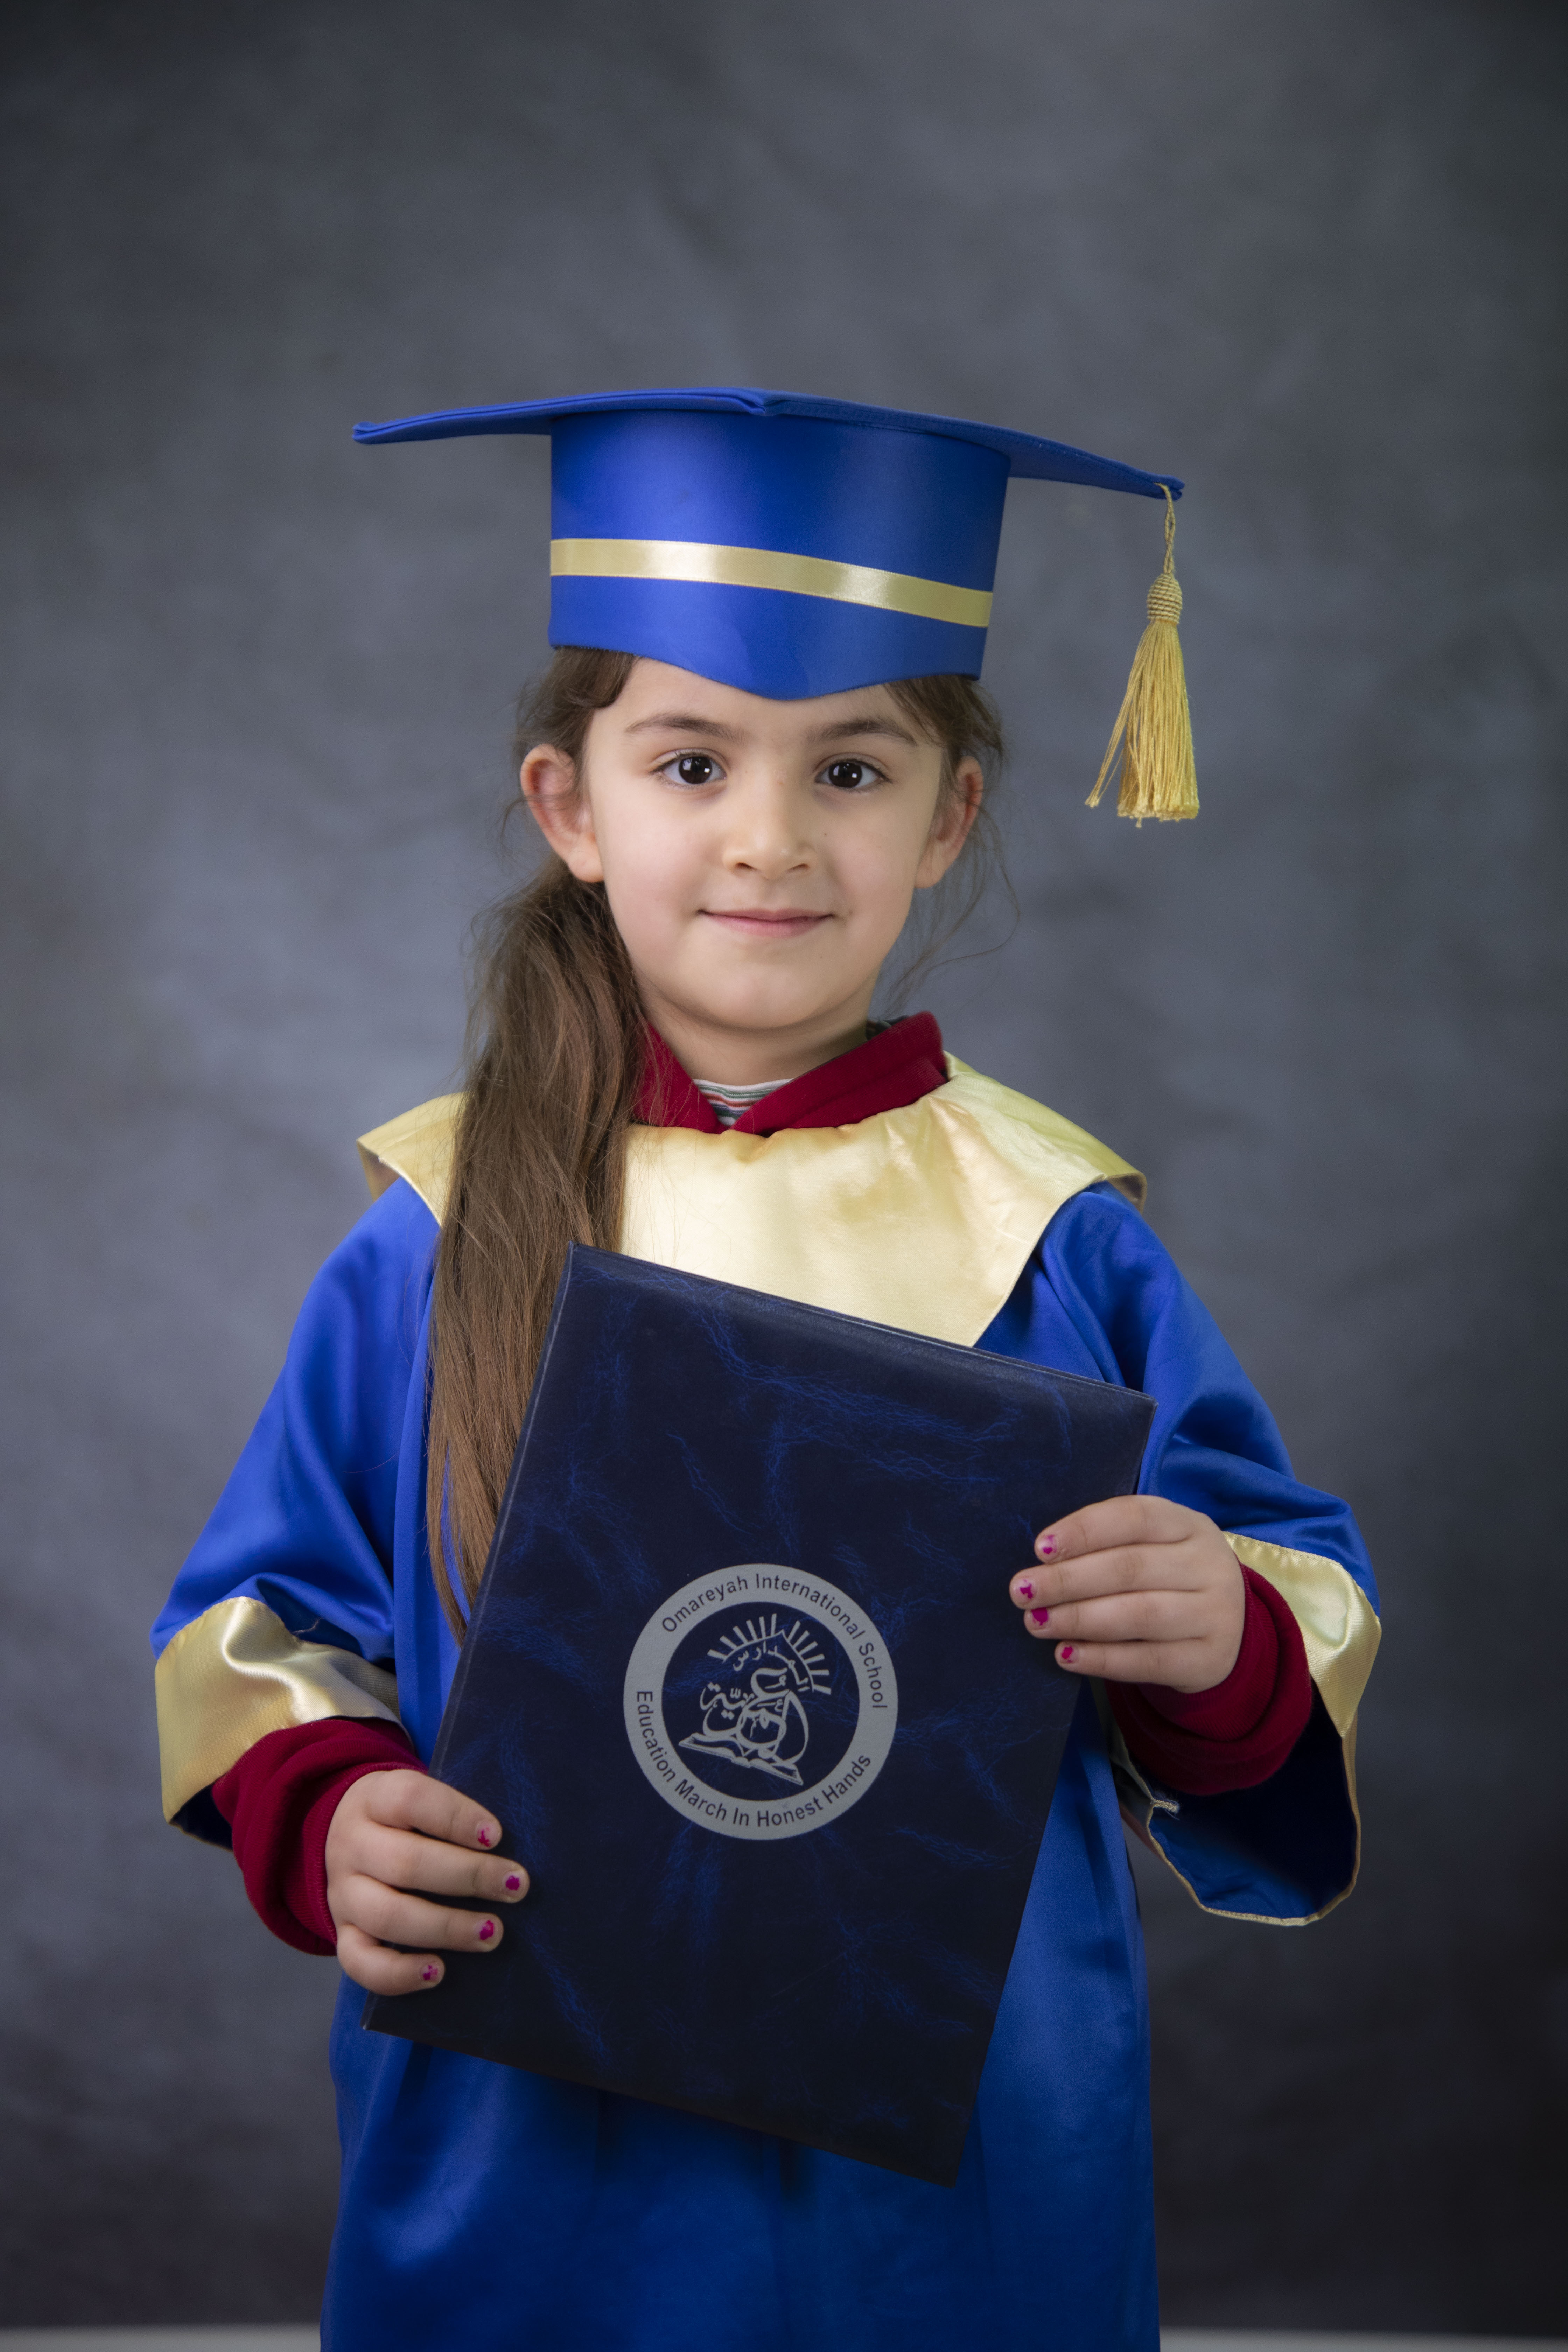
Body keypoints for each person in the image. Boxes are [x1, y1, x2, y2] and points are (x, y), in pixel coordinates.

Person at [152, 389, 1380, 2352]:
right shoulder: (439, 1236)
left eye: (856, 770)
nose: (772, 839)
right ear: (572, 808)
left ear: (949, 817)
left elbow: (1290, 1606)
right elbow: (263, 1629)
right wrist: (333, 1812)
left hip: (963, 2156)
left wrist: (1217, 1632)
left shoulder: (1060, 1237)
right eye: (691, 761)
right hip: (537, 2147)